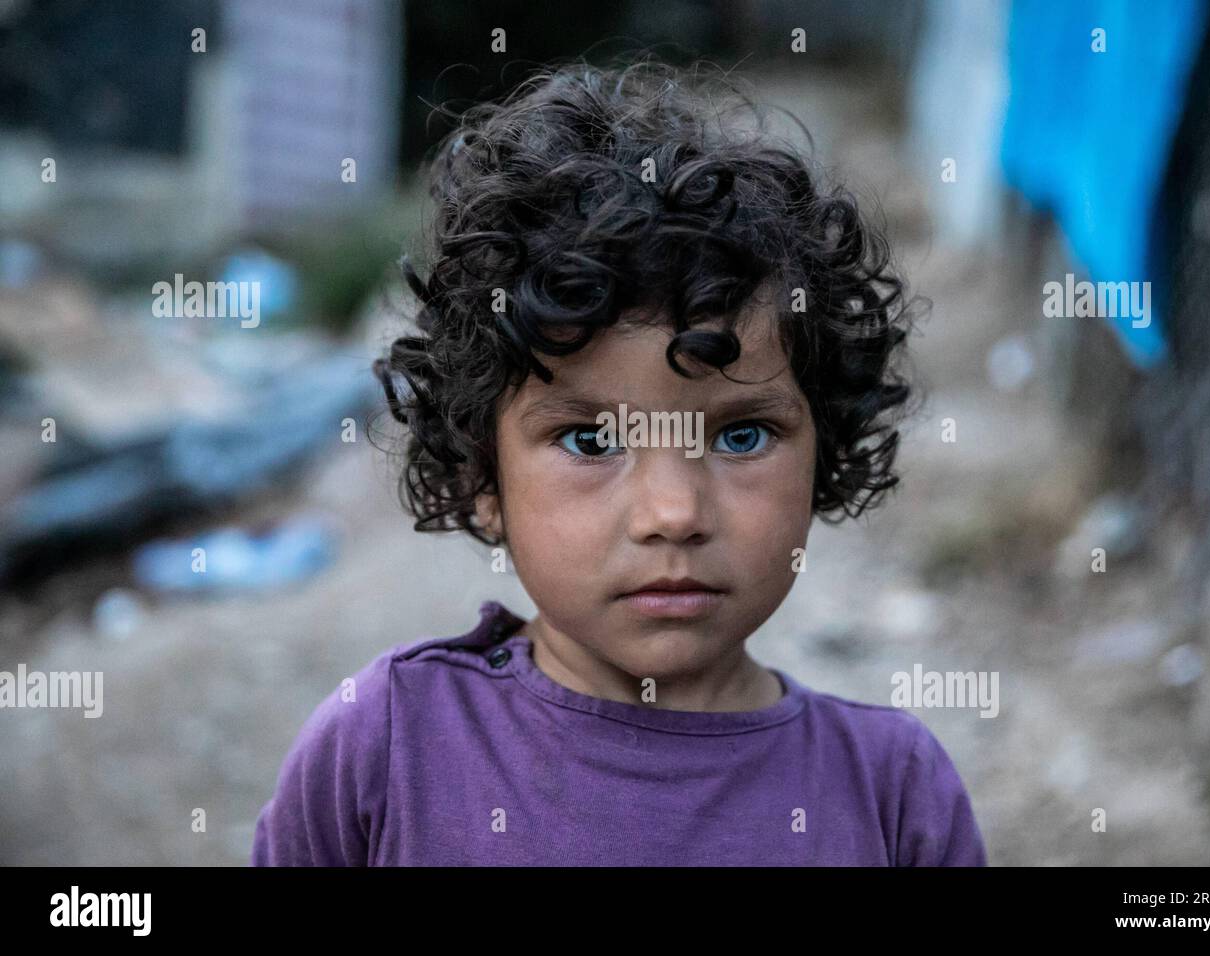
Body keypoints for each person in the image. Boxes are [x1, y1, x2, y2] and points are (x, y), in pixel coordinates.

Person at [252, 56, 987, 866]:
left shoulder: (890, 794)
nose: (673, 513)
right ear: (481, 476)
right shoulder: (385, 749)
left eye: (740, 436)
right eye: (591, 441)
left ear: (824, 456)